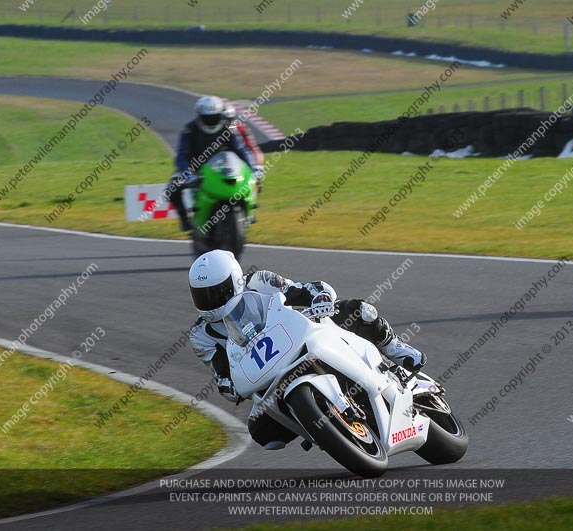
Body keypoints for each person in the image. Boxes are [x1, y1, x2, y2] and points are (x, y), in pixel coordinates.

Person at [187, 250, 426, 449]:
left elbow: (306, 290)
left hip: (301, 334)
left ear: (234, 279)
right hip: (269, 378)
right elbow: (221, 374)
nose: (210, 302)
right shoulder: (201, 335)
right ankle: (318, 422)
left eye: (217, 292)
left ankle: (394, 347)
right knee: (264, 433)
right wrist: (227, 386)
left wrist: (320, 297)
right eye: (202, 296)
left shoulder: (260, 281)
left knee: (359, 310)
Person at [169, 95, 259, 232]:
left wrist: (253, 169)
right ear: (199, 116)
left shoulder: (228, 129)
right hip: (194, 168)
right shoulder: (189, 130)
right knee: (172, 188)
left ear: (220, 115)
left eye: (215, 117)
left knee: (255, 180)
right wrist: (188, 175)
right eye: (207, 117)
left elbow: (240, 149)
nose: (211, 121)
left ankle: (249, 212)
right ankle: (185, 219)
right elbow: (181, 156)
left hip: (222, 166)